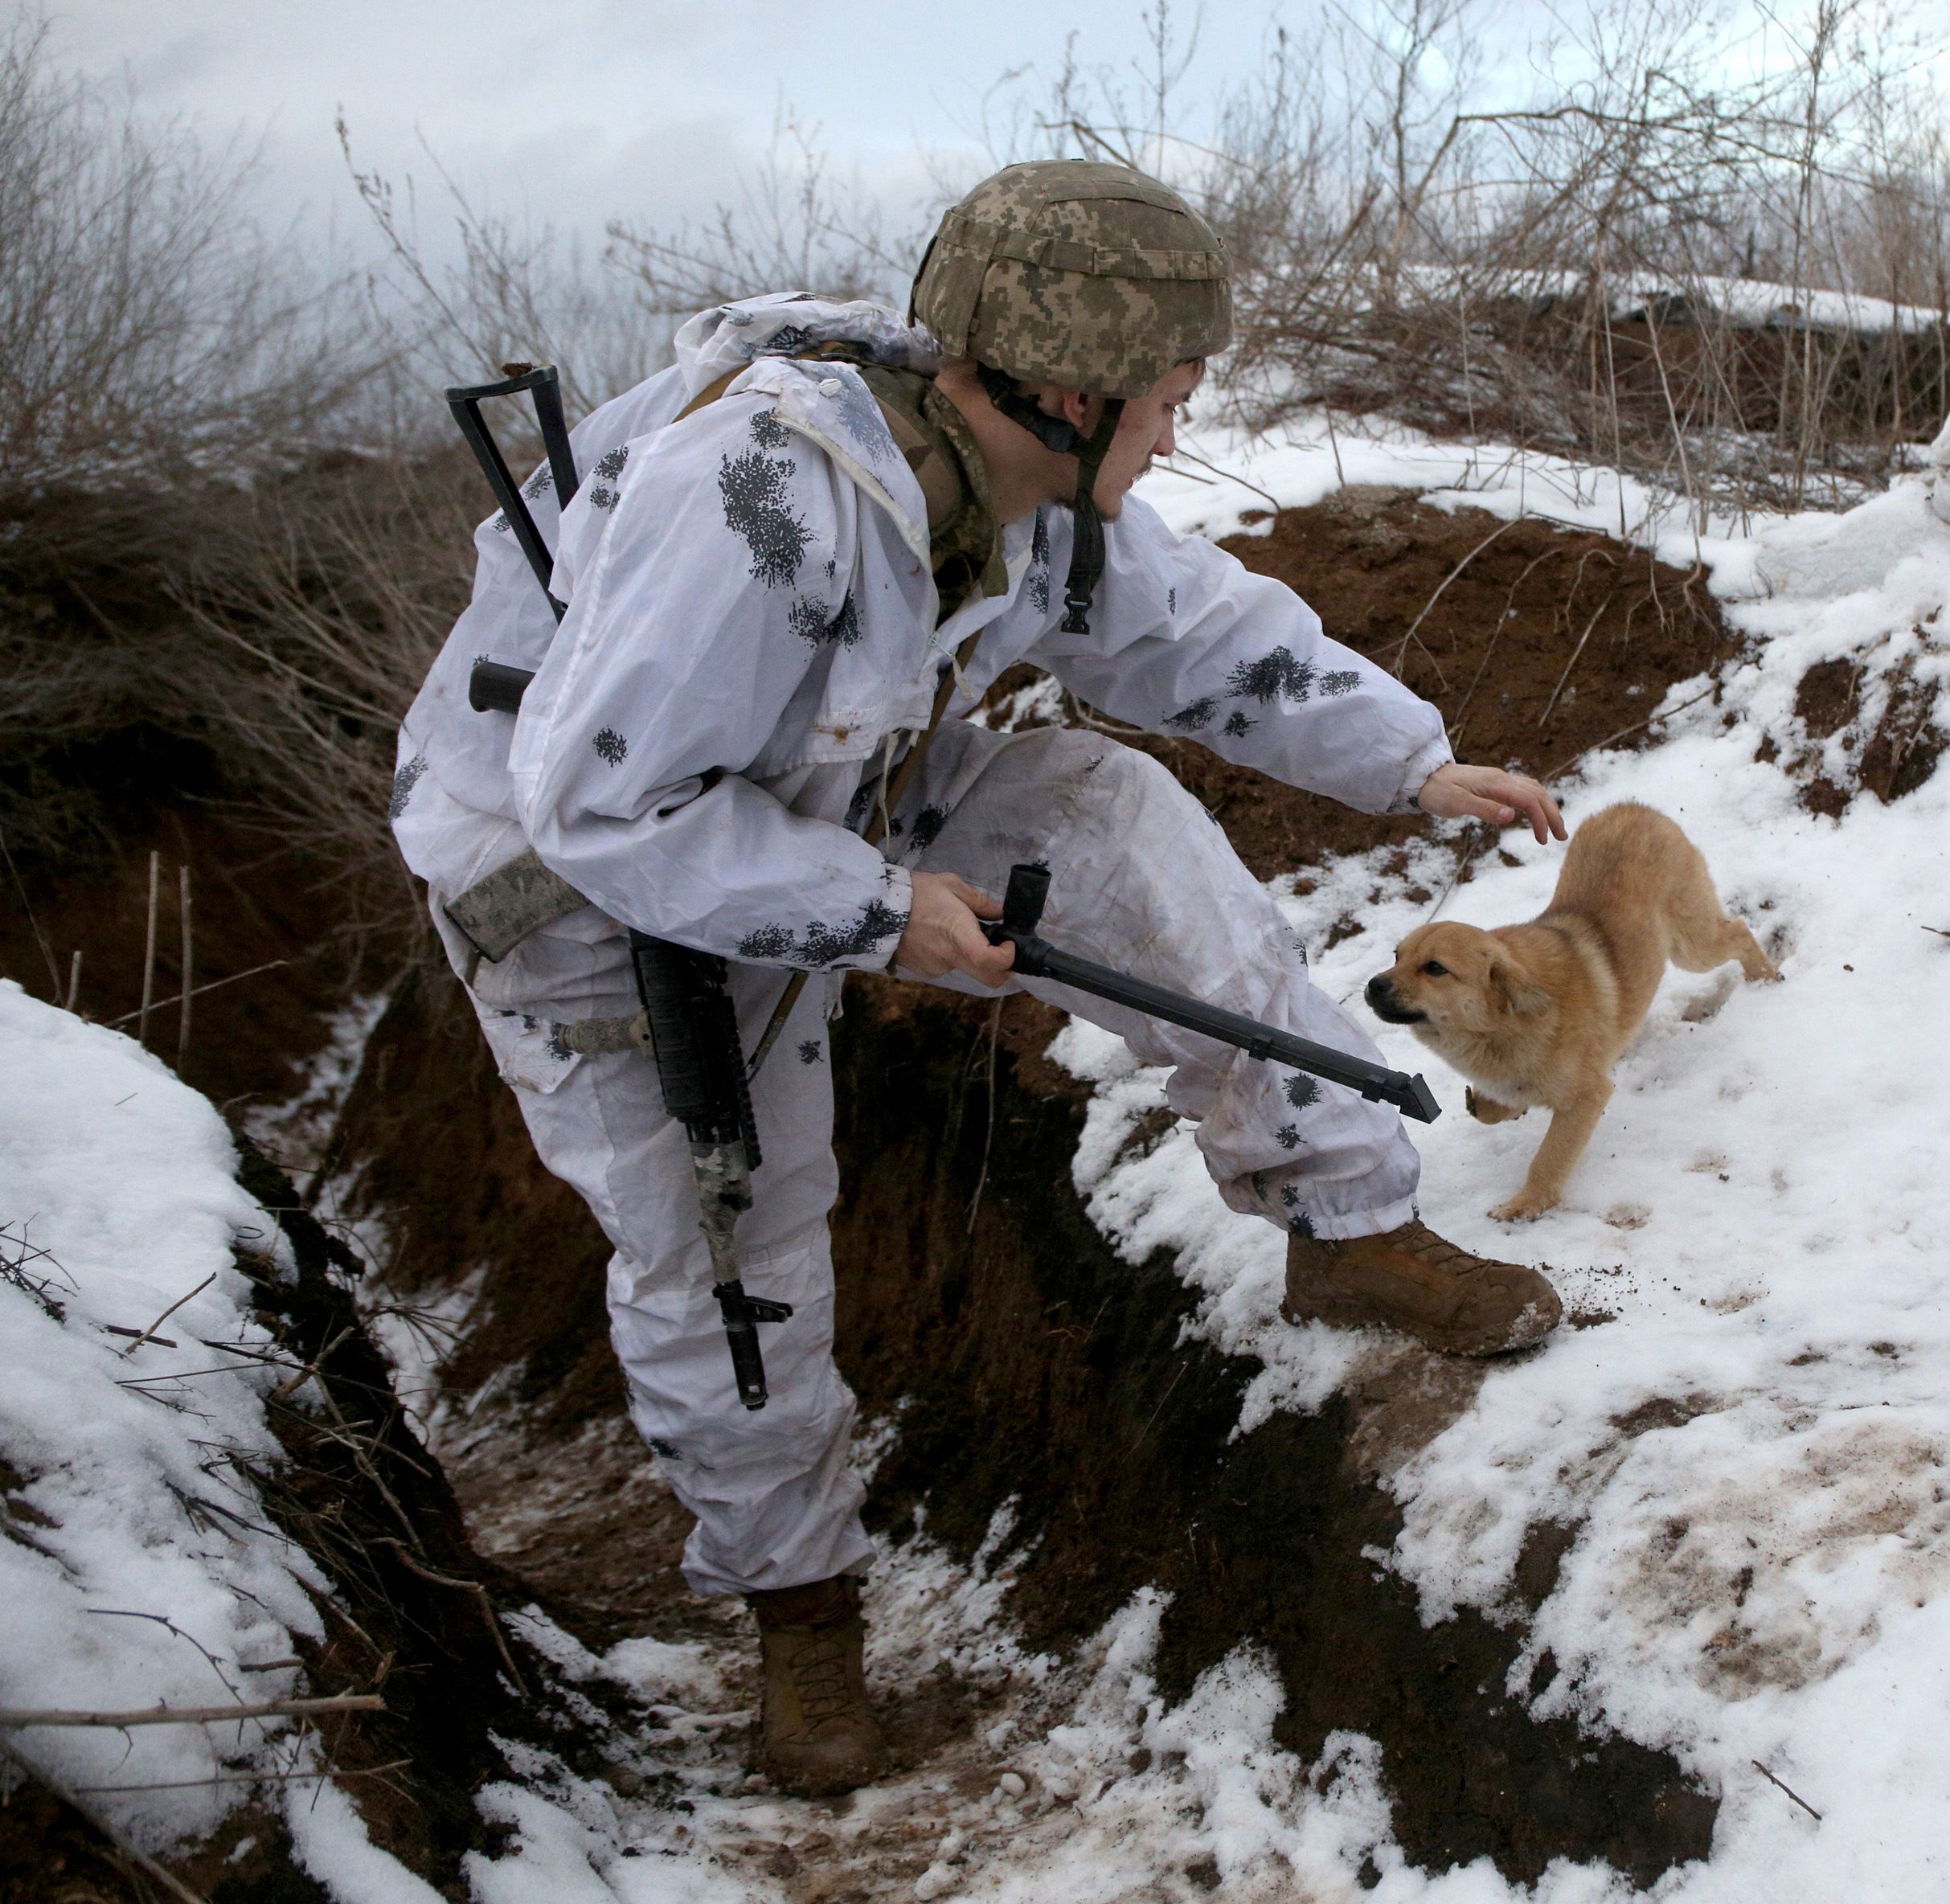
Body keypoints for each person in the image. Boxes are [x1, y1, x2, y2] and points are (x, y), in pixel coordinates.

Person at [388, 159, 1570, 1796]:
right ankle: (800, 1620)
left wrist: (1413, 768)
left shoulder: (1016, 480)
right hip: (580, 876)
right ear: (1072, 393)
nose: (1182, 428)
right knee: (728, 1239)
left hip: (822, 786)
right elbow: (608, 807)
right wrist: (878, 910)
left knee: (1111, 812)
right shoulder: (760, 504)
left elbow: (1194, 636)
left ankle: (1349, 1229)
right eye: (1169, 399)